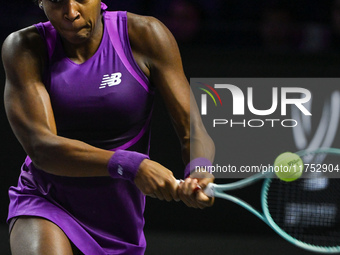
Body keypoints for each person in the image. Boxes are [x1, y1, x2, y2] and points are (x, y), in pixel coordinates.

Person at [2, 0, 215, 254]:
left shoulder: (146, 34)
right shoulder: (23, 48)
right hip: (46, 200)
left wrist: (199, 169)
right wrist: (130, 164)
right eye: (57, 1)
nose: (71, 13)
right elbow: (41, 148)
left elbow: (191, 129)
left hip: (119, 219)